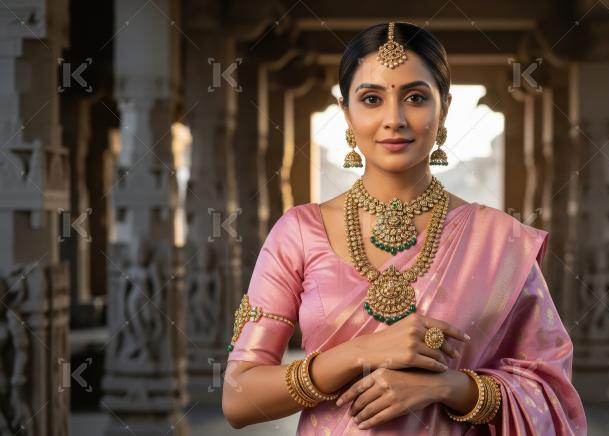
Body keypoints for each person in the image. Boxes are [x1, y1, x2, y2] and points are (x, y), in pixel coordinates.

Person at [222, 21, 587, 435]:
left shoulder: (498, 240)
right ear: (346, 111)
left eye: (415, 97)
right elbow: (238, 397)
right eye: (372, 98)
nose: (394, 119)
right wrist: (359, 353)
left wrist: (450, 387)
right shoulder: (299, 232)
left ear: (444, 107)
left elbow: (551, 394)